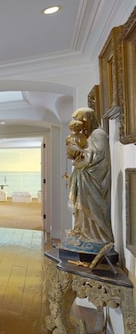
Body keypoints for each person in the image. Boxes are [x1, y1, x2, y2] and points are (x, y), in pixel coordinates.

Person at [63, 107, 114, 254]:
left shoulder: (99, 134)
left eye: (81, 122)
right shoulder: (88, 135)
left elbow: (97, 157)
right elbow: (86, 155)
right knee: (82, 210)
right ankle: (83, 233)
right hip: (85, 179)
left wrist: (79, 151)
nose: (79, 126)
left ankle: (96, 237)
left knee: (91, 208)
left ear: (87, 121)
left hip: (93, 181)